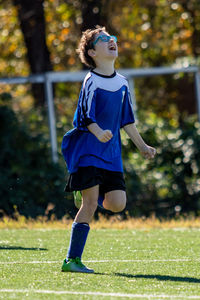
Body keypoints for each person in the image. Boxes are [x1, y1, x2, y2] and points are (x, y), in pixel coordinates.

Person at [61, 25, 156, 273]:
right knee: (90, 204)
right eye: (103, 40)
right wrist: (98, 131)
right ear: (92, 53)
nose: (111, 41)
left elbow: (127, 121)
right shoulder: (91, 81)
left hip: (112, 156)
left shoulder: (123, 83)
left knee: (118, 204)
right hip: (88, 150)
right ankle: (72, 260)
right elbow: (83, 116)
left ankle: (86, 192)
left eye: (111, 38)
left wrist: (143, 146)